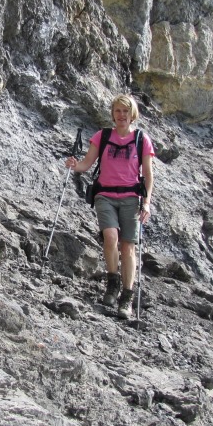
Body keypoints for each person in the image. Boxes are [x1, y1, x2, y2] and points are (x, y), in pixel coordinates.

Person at [65, 94, 155, 319]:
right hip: (105, 195)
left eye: (125, 111)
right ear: (113, 114)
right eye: (118, 111)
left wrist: (146, 203)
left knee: (128, 246)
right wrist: (75, 165)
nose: (121, 115)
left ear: (132, 114)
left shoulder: (141, 139)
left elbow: (148, 174)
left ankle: (126, 296)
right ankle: (113, 282)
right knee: (111, 236)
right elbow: (86, 164)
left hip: (131, 198)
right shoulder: (102, 136)